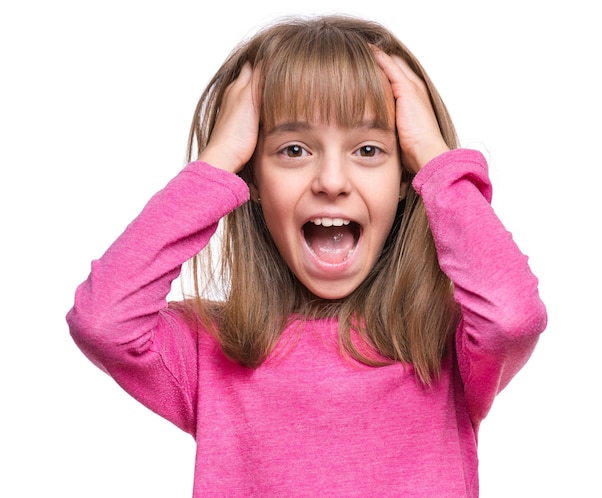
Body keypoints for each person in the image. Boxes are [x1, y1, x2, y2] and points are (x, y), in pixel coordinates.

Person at [66, 13, 547, 497]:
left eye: (368, 150)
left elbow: (512, 316)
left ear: (406, 177)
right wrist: (217, 162)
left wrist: (437, 161)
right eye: (294, 150)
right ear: (251, 178)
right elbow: (104, 321)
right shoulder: (209, 349)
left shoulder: (447, 343)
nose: (332, 182)